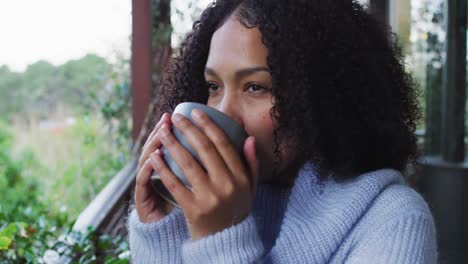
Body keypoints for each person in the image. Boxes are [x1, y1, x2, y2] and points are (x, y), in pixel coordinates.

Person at [127, 0, 438, 263]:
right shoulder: (200, 202)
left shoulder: (393, 220)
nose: (222, 113)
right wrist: (164, 231)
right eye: (213, 86)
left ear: (322, 96)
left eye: (255, 87)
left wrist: (219, 239)